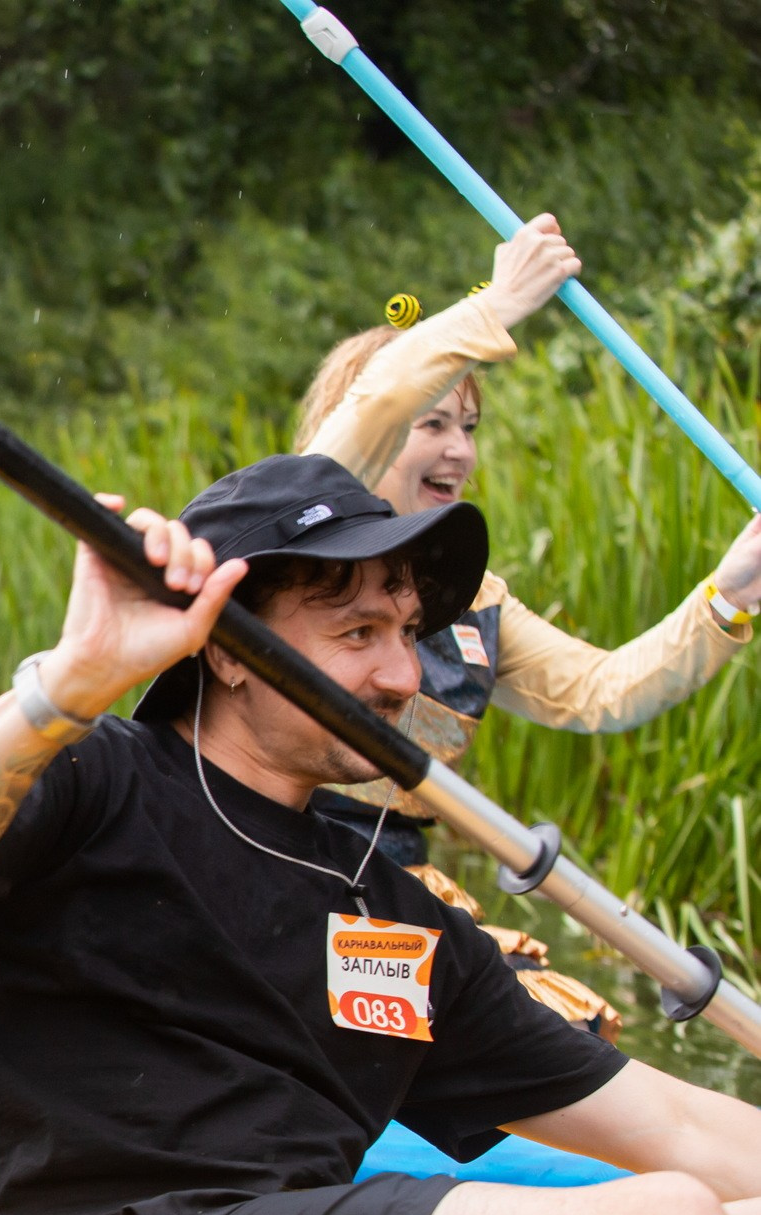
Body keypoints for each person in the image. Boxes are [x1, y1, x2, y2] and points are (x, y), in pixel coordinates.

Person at [0, 454, 761, 1215]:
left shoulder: (394, 907)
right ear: (230, 651)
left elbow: (676, 1122)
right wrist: (73, 683)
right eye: (357, 632)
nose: (404, 673)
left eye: (406, 631)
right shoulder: (95, 776)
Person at [297, 215, 761, 1031]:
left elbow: (605, 691)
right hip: (277, 862)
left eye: (469, 428)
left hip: (391, 878)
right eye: (435, 425)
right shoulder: (298, 534)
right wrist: (499, 302)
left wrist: (729, 594)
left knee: (579, 1024)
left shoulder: (481, 602)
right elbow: (384, 393)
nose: (460, 452)